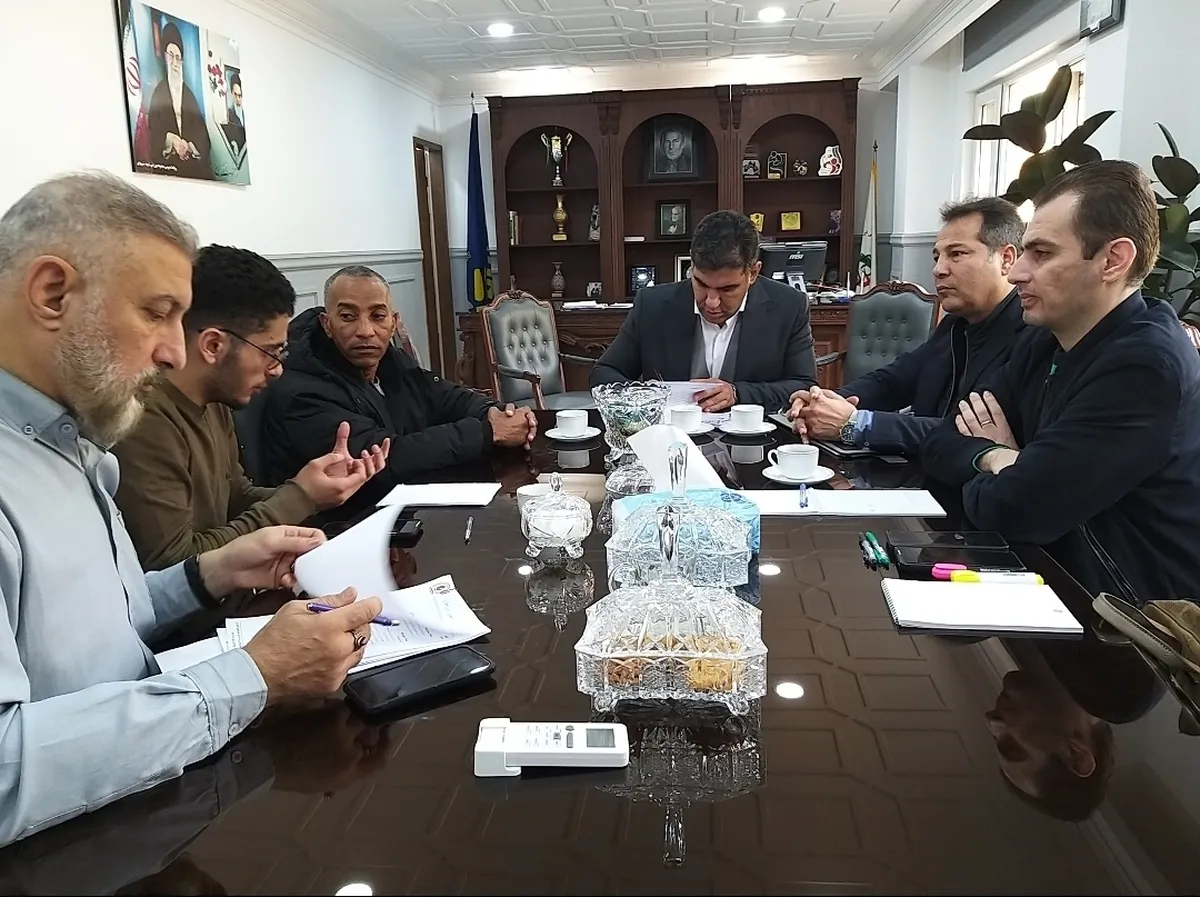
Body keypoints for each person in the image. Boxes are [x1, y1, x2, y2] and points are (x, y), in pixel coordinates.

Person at [0, 172, 382, 846]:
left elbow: (100, 629)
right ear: (53, 293)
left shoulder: (72, 443)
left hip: (142, 800)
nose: (176, 351)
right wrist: (254, 675)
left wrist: (208, 575)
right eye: (157, 312)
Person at [923, 160, 1200, 603]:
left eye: (1042, 253)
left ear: (1113, 260)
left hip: (1125, 617)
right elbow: (940, 443)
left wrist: (1013, 471)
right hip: (1045, 577)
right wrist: (1002, 458)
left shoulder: (1146, 366)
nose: (1016, 273)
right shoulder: (1044, 338)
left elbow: (1016, 510)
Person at [112, 245, 390, 572]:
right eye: (269, 352)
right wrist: (301, 497)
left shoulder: (214, 399)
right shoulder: (145, 420)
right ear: (213, 345)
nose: (277, 370)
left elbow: (236, 497)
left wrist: (317, 489)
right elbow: (175, 565)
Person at [259, 266, 536, 510]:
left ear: (393, 323)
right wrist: (488, 432)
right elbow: (382, 459)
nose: (365, 330)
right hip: (337, 526)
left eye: (377, 316)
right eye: (348, 316)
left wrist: (497, 412)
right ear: (327, 325)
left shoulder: (388, 361)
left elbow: (444, 397)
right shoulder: (302, 389)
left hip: (398, 507)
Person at [788, 197, 1027, 454]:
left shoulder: (1031, 336)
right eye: (937, 257)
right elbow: (892, 382)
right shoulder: (954, 326)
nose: (938, 269)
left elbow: (965, 431)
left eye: (956, 254)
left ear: (1006, 259)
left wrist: (857, 424)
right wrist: (823, 403)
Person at [590, 210, 817, 412]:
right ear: (692, 266)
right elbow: (604, 373)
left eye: (727, 289)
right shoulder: (652, 305)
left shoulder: (789, 306)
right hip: (668, 437)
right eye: (700, 283)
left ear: (753, 273)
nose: (712, 302)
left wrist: (738, 394)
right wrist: (648, 396)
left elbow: (804, 386)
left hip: (754, 440)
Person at [145, 22, 212, 180]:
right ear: (164, 57)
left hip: (192, 170)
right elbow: (154, 133)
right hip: (168, 172)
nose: (175, 64)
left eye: (178, 57)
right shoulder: (158, 94)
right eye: (171, 56)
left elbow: (203, 135)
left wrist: (189, 146)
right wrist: (172, 141)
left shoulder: (189, 96)